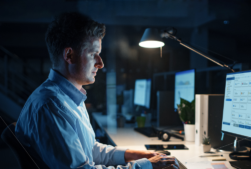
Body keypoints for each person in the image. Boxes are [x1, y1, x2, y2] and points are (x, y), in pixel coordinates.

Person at [15, 12, 179, 169]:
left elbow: (90, 150)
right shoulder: (51, 106)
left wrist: (135, 155)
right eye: (94, 54)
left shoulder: (68, 97)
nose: (100, 63)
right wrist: (147, 166)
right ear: (69, 55)